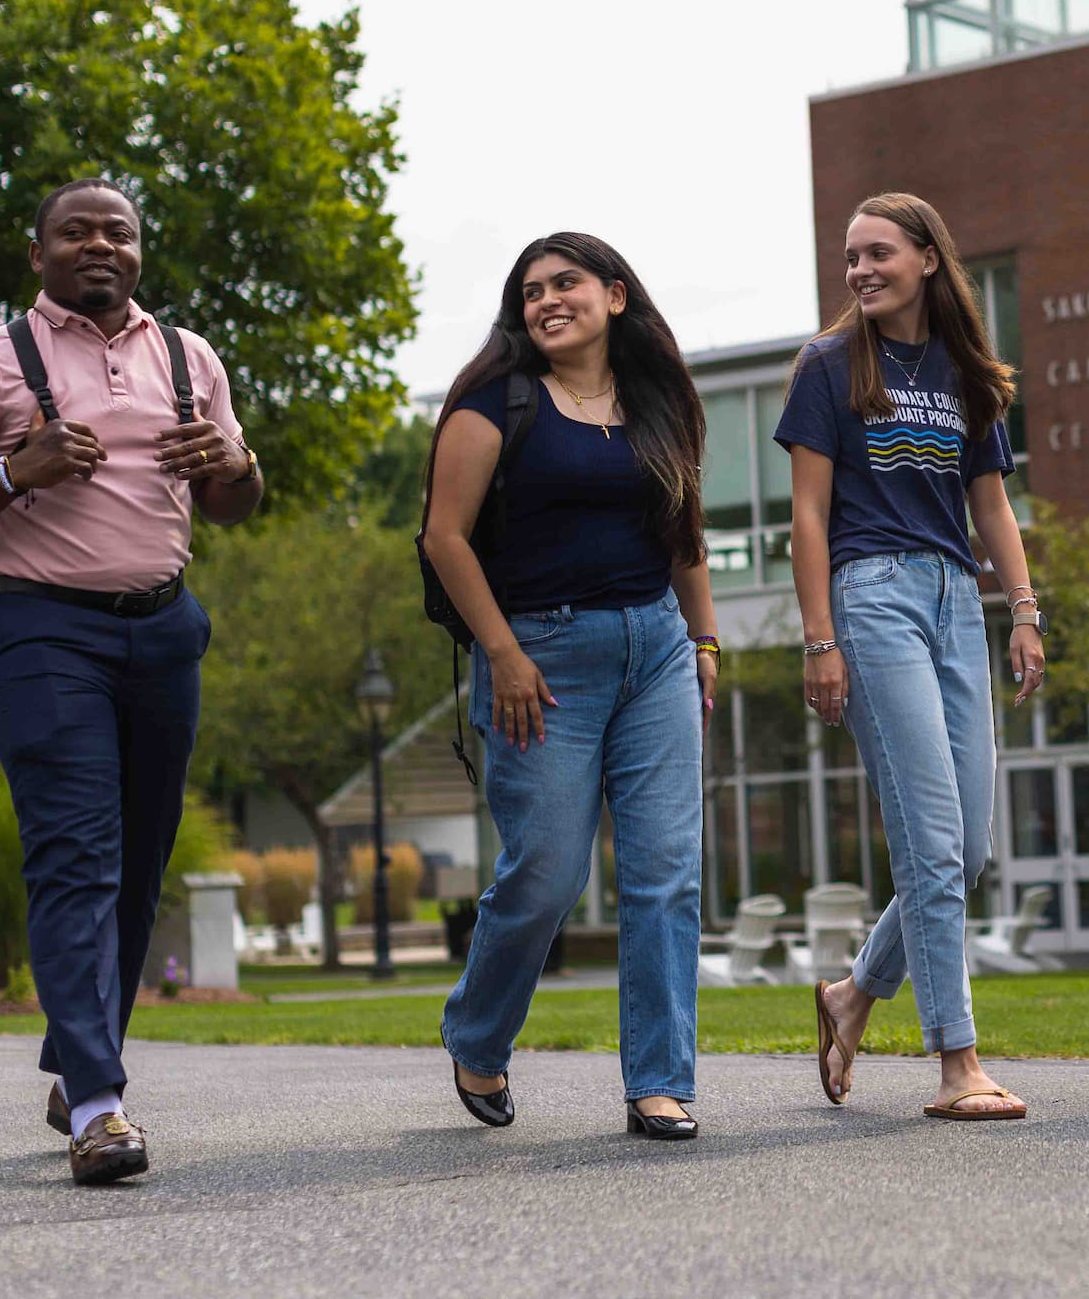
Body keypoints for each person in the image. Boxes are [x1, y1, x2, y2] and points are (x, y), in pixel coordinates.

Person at [0, 178, 264, 1185]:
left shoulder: (190, 357)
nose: (99, 243)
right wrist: (14, 474)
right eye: (75, 230)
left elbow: (232, 502)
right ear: (39, 250)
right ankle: (99, 1107)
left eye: (118, 231)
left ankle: (74, 1066)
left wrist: (236, 457)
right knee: (74, 856)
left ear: (139, 251)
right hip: (40, 632)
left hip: (164, 628)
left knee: (139, 865)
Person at [424, 233, 718, 1142]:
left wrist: (704, 638)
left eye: (567, 283)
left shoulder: (658, 402)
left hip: (657, 651)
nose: (548, 300)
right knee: (547, 874)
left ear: (615, 296)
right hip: (539, 659)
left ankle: (660, 1083)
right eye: (532, 290)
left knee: (665, 874)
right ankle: (478, 1032)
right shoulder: (492, 401)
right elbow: (445, 537)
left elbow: (684, 532)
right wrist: (503, 653)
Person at [778, 192, 1045, 1121]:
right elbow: (807, 515)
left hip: (953, 599)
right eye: (851, 257)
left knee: (967, 850)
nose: (860, 270)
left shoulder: (964, 370)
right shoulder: (827, 364)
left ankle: (851, 996)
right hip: (871, 595)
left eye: (878, 253)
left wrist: (1023, 610)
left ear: (930, 258)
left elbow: (993, 506)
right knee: (931, 844)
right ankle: (957, 1063)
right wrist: (819, 639)